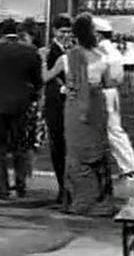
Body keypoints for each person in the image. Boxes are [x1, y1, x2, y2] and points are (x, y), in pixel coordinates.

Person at [50, 13, 115, 216]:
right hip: (99, 105)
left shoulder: (74, 54)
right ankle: (102, 201)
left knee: (77, 152)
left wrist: (82, 109)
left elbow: (80, 84)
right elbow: (108, 82)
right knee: (98, 150)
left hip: (78, 105)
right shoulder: (101, 53)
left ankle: (81, 202)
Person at [0, 19, 42, 200]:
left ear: (0, 32)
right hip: (20, 104)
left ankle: (2, 188)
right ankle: (21, 185)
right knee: (20, 145)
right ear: (18, 32)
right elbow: (37, 80)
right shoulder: (30, 50)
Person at [94, 17, 134, 182]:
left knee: (112, 130)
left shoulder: (101, 50)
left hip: (104, 91)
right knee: (112, 129)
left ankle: (129, 166)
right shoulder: (111, 49)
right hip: (111, 91)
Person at [42, 14, 73, 203]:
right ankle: (63, 187)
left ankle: (70, 187)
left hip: (71, 104)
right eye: (63, 31)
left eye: (69, 32)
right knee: (58, 146)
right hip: (55, 104)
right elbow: (44, 77)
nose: (66, 35)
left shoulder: (73, 49)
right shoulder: (48, 52)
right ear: (54, 31)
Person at [18, 18, 46, 177]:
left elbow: (40, 79)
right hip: (29, 98)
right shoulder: (31, 53)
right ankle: (25, 172)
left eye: (24, 37)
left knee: (30, 139)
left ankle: (26, 172)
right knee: (27, 138)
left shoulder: (38, 54)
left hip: (33, 99)